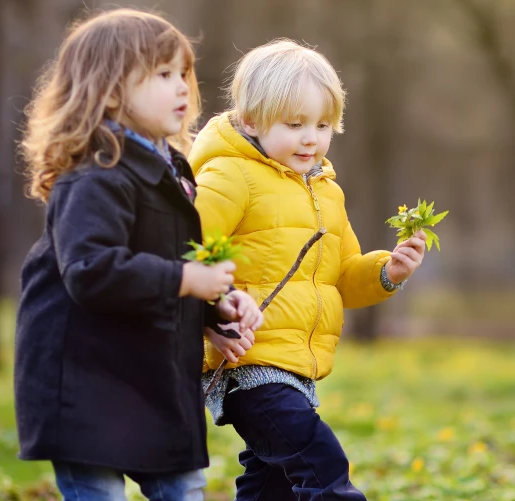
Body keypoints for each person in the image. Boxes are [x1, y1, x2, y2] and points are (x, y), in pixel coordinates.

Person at [12, 9, 261, 501]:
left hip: (154, 373)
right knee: (97, 489)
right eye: (162, 75)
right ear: (107, 90)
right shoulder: (93, 175)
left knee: (182, 487)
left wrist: (215, 304)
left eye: (183, 73)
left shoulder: (172, 170)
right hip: (85, 380)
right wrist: (186, 282)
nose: (183, 87)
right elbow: (91, 271)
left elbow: (171, 259)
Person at [191, 39, 427, 500]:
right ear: (251, 120)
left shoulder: (325, 192)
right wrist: (214, 313)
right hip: (250, 366)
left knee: (271, 485)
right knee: (322, 466)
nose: (310, 138)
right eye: (294, 124)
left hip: (296, 372)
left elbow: (340, 276)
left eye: (322, 125)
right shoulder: (230, 176)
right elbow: (186, 247)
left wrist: (388, 272)